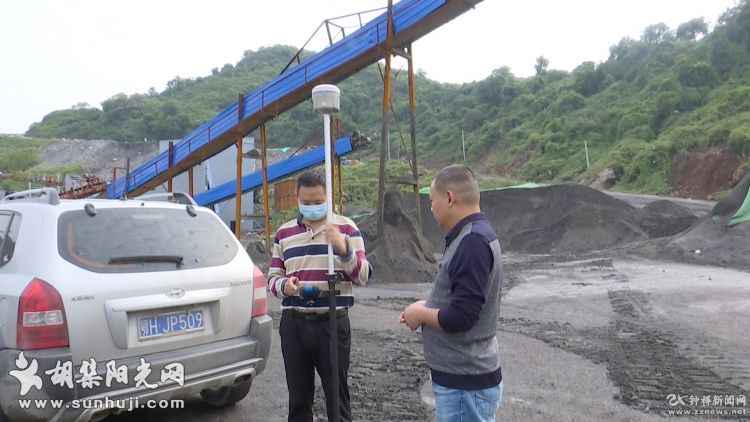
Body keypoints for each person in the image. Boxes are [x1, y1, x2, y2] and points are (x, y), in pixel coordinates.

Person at [401, 164, 503, 422]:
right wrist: (430, 303)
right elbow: (462, 300)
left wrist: (421, 313)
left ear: (449, 197)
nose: (431, 208)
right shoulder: (473, 235)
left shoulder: (472, 242)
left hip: (465, 383)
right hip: (466, 379)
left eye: (432, 201)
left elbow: (462, 318)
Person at [268, 170, 371, 422]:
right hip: (294, 324)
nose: (313, 207)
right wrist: (285, 286)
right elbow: (271, 279)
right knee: (299, 400)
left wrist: (344, 249)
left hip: (332, 323)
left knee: (337, 398)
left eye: (318, 202)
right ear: (297, 198)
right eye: (307, 202)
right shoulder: (284, 234)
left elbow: (363, 276)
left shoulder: (346, 228)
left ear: (328, 197)